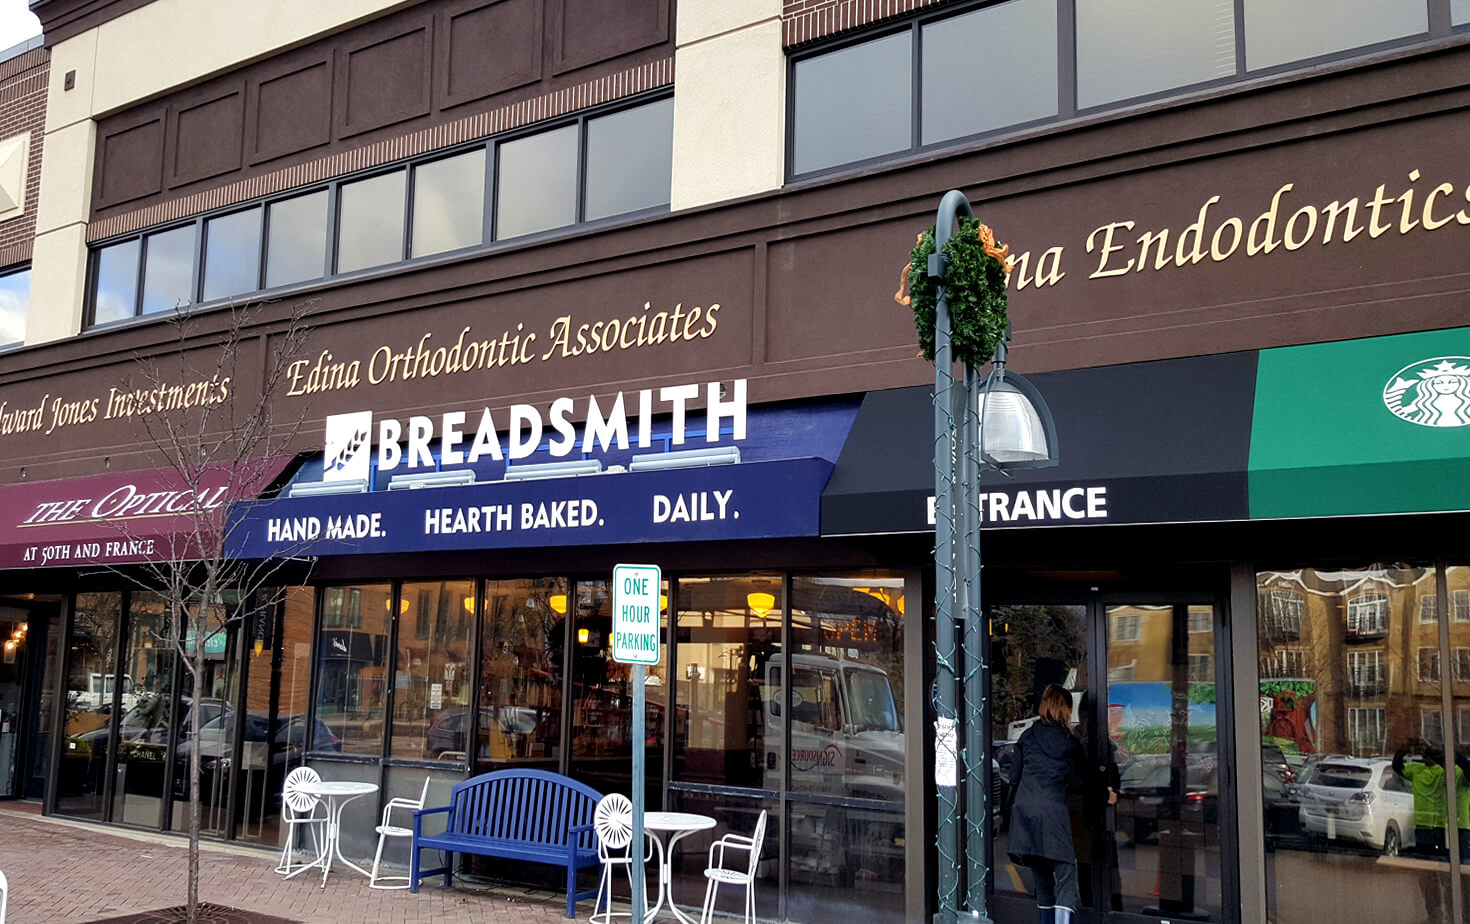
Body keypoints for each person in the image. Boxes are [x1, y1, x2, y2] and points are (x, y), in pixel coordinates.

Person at [1005, 684, 1116, 924]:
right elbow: (1087, 778)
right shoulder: (1070, 743)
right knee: (1065, 876)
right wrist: (1106, 792)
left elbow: (1014, 777)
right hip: (1053, 814)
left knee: (1042, 878)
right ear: (1064, 709)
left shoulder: (1028, 736)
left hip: (1025, 814)